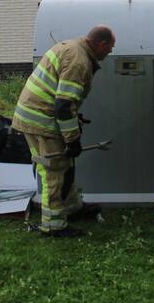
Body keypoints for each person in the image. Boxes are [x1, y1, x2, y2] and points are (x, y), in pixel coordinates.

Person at [12, 25, 116, 238]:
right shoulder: (79, 60)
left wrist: (74, 118)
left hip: (36, 115)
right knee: (55, 171)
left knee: (64, 166)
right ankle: (54, 225)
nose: (110, 52)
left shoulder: (71, 47)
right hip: (41, 121)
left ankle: (72, 208)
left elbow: (61, 100)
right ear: (101, 44)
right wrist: (72, 139)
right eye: (110, 47)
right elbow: (62, 105)